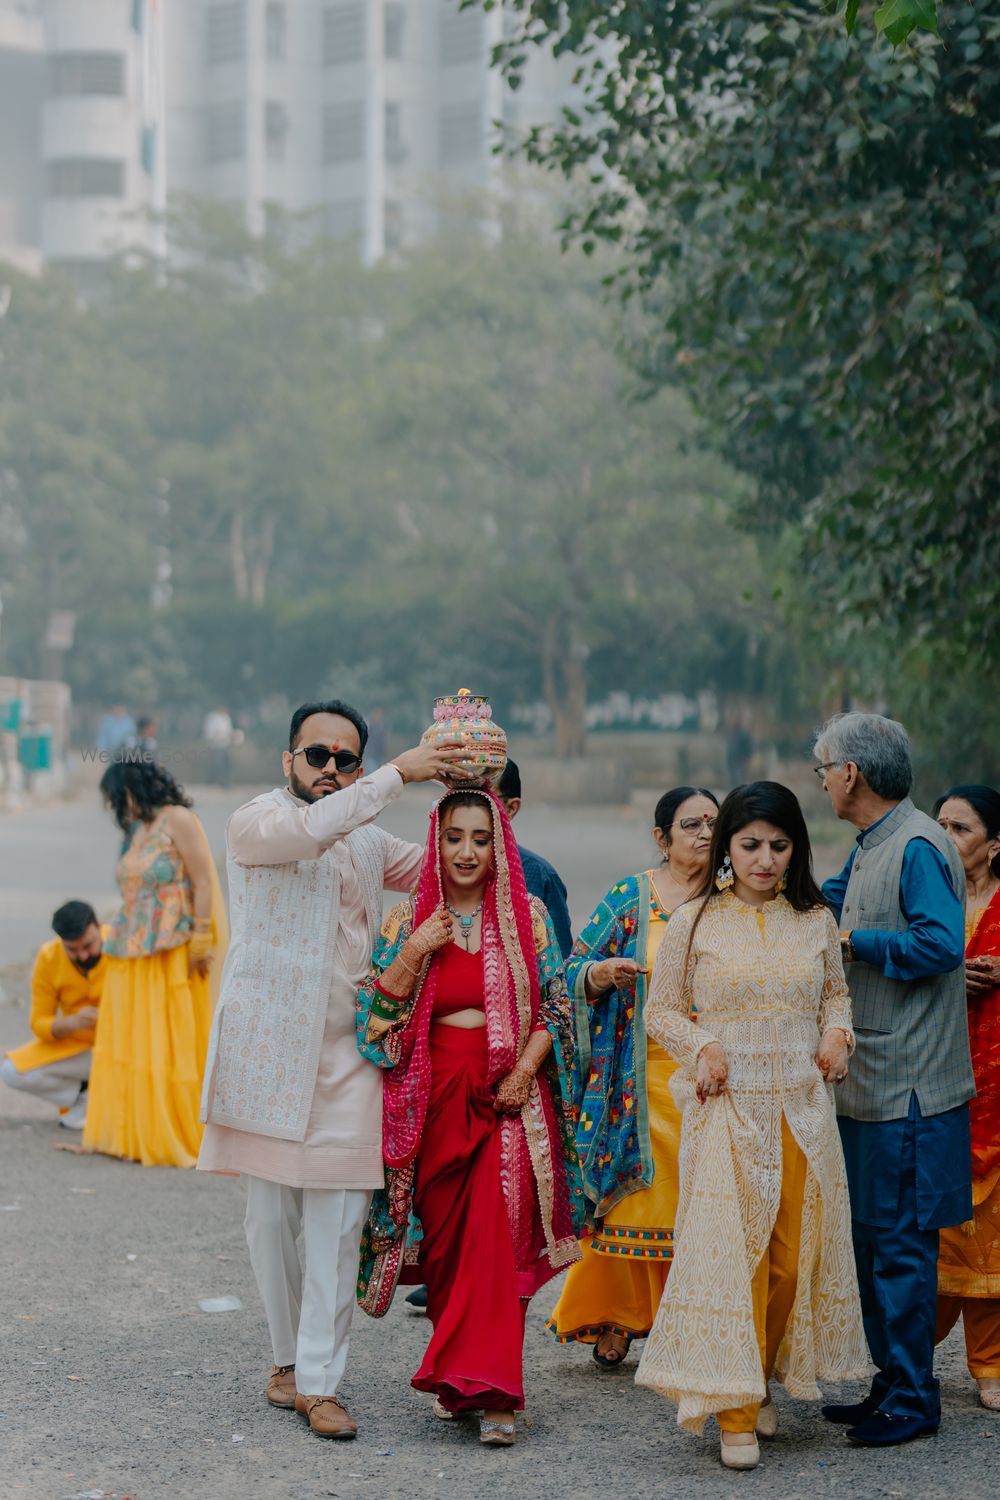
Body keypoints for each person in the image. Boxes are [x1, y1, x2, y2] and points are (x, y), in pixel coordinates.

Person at [197, 702, 469, 1442]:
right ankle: (284, 1360)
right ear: (289, 760)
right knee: (270, 1220)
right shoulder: (257, 821)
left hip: (354, 1052)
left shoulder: (368, 838)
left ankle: (320, 1384)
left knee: (341, 1220)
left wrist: (471, 796)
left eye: (345, 759)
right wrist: (394, 774)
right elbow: (310, 831)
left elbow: (449, 871)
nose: (330, 770)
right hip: (266, 1054)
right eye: (316, 755)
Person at [636, 781, 867, 1471]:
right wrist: (703, 1047)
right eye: (750, 845)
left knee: (794, 1262)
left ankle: (758, 1373)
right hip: (729, 1110)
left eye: (779, 845)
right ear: (727, 847)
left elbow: (836, 995)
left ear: (794, 848)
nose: (765, 859)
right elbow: (663, 1011)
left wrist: (838, 1035)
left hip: (800, 1112)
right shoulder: (696, 921)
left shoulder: (814, 920)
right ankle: (734, 1412)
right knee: (738, 1260)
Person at [356, 788, 585, 1448]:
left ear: (500, 845)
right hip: (432, 1098)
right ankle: (462, 1380)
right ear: (436, 841)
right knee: (451, 1251)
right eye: (454, 837)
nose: (465, 851)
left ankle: (498, 1396)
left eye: (480, 839)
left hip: (507, 1094)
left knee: (495, 1235)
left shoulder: (527, 916)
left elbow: (557, 1007)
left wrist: (520, 1074)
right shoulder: (409, 920)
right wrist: (412, 954)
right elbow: (374, 1028)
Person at [816, 712, 973, 1446]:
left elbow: (942, 944)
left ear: (852, 773)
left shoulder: (915, 844)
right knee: (873, 1243)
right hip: (872, 1081)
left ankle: (915, 1398)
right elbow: (823, 902)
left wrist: (855, 942)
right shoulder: (872, 843)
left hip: (912, 1087)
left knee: (904, 1246)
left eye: (824, 766)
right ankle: (891, 1381)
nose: (821, 778)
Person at [547, 786, 718, 1367]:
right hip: (635, 1079)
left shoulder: (733, 900)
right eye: (690, 824)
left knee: (701, 1207)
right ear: (660, 838)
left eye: (713, 823)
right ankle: (615, 1315)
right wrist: (601, 973)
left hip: (709, 1078)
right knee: (628, 1204)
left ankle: (684, 1324)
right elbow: (570, 970)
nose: (703, 833)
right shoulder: (631, 897)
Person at [83, 762, 227, 1167]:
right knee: (135, 1041)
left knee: (170, 1042)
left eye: (118, 798)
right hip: (130, 950)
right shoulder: (140, 829)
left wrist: (202, 938)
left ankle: (171, 1132)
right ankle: (133, 1133)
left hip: (172, 949)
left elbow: (203, 880)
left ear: (135, 789)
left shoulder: (177, 820)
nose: (116, 807)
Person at [933, 785, 1000, 1410]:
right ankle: (904, 1359)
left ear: (995, 844)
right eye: (941, 825)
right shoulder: (927, 899)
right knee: (932, 1228)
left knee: (991, 1237)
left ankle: (989, 1366)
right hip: (934, 1083)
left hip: (997, 1095)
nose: (947, 839)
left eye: (961, 829)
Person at [1, 901, 107, 1129]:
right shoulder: (49, 957)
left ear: (98, 927)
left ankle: (105, 1100)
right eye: (72, 949)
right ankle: (84, 1095)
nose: (82, 955)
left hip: (122, 1046)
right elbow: (38, 1023)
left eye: (88, 945)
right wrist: (71, 1023)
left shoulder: (120, 945)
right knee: (10, 1071)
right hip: (77, 1049)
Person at [496, 758, 573, 959]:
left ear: (511, 808)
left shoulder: (540, 876)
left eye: (486, 799)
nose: (471, 808)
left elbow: (560, 964)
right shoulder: (441, 869)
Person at [203, 705, 235, 787]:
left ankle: (225, 782)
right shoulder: (212, 718)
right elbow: (209, 733)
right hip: (216, 746)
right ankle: (212, 781)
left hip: (225, 745)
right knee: (217, 765)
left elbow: (229, 731)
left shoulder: (227, 718)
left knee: (227, 764)